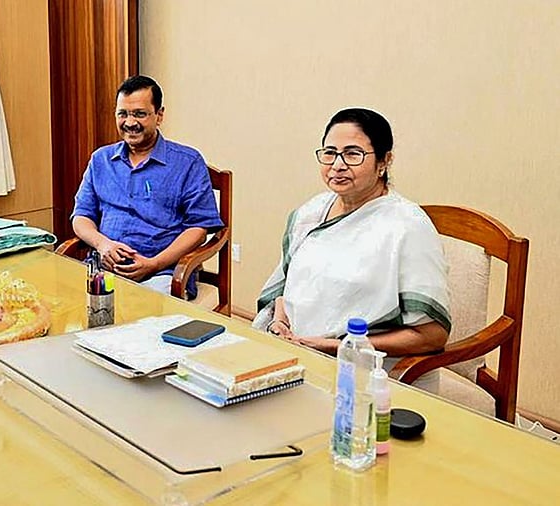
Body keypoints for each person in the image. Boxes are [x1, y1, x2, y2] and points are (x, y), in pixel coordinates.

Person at [252, 108, 451, 371]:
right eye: (330, 153)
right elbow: (289, 286)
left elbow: (432, 335)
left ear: (384, 161)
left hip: (371, 370)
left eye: (353, 154)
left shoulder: (408, 226)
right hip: (297, 352)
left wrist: (338, 346)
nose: (337, 165)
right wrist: (280, 321)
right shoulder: (311, 211)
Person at [70, 75, 223, 298]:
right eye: (123, 114)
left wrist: (154, 263)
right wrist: (103, 245)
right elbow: (81, 216)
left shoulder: (187, 162)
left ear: (159, 115)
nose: (130, 122)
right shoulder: (100, 160)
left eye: (140, 114)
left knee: (138, 320)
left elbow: (198, 229)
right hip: (103, 268)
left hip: (162, 272)